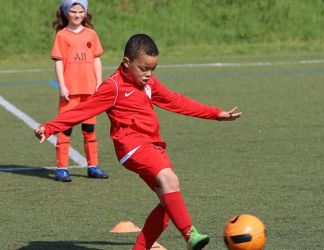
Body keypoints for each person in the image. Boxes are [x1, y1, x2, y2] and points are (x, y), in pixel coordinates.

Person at [35, 34, 242, 249]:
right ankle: (190, 234)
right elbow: (82, 110)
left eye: (153, 69)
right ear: (127, 63)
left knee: (169, 202)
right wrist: (50, 128)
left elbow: (175, 101)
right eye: (143, 68)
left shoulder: (149, 83)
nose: (148, 74)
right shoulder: (113, 87)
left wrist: (216, 114)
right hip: (131, 146)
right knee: (169, 180)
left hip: (153, 145)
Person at [50, 0, 108, 181]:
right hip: (70, 92)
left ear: (86, 13)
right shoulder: (62, 35)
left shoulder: (91, 34)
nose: (77, 15)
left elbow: (96, 60)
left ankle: (93, 166)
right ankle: (62, 169)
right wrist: (62, 85)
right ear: (66, 13)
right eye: (73, 11)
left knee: (89, 129)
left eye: (80, 12)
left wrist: (99, 83)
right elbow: (59, 62)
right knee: (65, 129)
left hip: (89, 92)